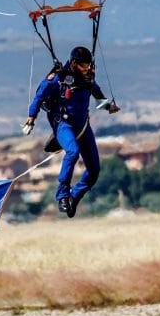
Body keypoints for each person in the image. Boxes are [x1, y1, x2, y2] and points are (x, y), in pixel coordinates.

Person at [22, 47, 119, 217]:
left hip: (82, 127)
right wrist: (31, 119)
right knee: (73, 152)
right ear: (74, 63)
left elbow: (95, 92)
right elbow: (39, 97)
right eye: (83, 65)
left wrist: (108, 106)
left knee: (94, 170)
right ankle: (63, 196)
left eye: (88, 65)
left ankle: (74, 196)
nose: (87, 69)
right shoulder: (58, 78)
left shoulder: (87, 77)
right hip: (63, 124)